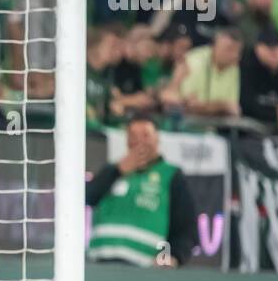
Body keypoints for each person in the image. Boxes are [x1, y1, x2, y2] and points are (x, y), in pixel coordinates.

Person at [86, 115, 197, 267]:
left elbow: (185, 228)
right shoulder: (112, 171)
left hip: (144, 270)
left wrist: (173, 257)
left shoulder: (171, 175)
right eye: (133, 135)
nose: (139, 141)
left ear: (157, 138)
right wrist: (116, 171)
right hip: (100, 263)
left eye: (146, 135)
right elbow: (87, 197)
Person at [160, 28, 244, 119]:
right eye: (229, 49)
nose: (235, 55)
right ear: (214, 47)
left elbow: (234, 109)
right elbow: (191, 105)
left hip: (212, 127)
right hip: (183, 124)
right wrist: (222, 106)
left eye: (237, 51)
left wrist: (214, 107)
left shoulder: (234, 67)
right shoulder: (195, 61)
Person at [239, 26, 278, 128]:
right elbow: (245, 104)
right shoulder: (246, 68)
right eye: (269, 48)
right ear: (258, 48)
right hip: (249, 134)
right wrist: (274, 114)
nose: (274, 53)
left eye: (277, 48)